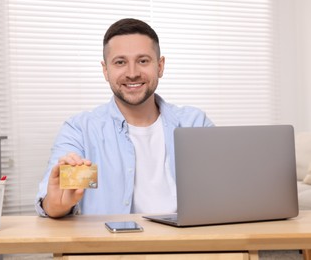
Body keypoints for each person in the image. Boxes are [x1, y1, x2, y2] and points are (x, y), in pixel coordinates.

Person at [35, 18, 214, 218]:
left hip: (189, 244)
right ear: (105, 70)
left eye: (143, 61)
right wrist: (58, 204)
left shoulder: (195, 124)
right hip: (113, 246)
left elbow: (223, 191)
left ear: (160, 66)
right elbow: (52, 203)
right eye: (120, 62)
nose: (132, 73)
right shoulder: (80, 130)